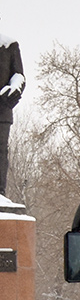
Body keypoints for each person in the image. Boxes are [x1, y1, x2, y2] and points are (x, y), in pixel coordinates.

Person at [0, 29, 23, 196]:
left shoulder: (9, 45)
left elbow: (18, 75)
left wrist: (14, 90)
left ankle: (0, 192)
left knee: (1, 151)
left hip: (2, 110)